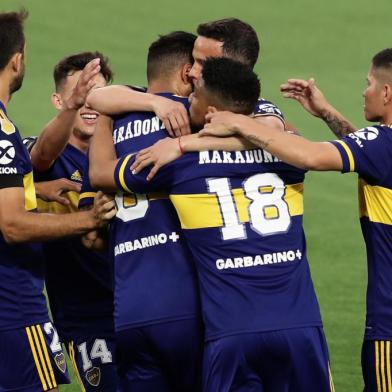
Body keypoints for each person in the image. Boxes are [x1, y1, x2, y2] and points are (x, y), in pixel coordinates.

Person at [113, 57, 333, 392]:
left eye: (195, 94)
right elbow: (284, 138)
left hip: (230, 337)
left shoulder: (177, 163)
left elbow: (103, 173)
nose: (188, 99)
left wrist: (106, 119)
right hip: (299, 328)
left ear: (212, 111)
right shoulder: (293, 157)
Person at [201, 48, 392, 392]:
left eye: (369, 84)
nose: (365, 91)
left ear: (388, 93)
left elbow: (309, 155)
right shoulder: (382, 149)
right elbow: (371, 154)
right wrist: (327, 113)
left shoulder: (383, 145)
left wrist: (241, 122)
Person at [0, 10, 115, 392]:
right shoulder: (14, 140)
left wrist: (34, 192)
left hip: (137, 309)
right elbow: (14, 218)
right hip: (34, 311)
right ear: (17, 60)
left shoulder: (128, 149)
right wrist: (88, 219)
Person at [87, 32, 204, 391]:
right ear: (187, 73)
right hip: (188, 303)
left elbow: (97, 99)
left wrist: (135, 106)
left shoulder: (114, 120)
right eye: (200, 67)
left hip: (130, 310)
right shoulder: (192, 120)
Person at [28, 52, 118, 391]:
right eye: (81, 94)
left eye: (97, 94)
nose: (90, 103)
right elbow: (41, 156)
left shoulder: (124, 151)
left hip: (139, 306)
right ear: (58, 100)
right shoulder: (41, 158)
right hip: (85, 319)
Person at [87, 18, 286, 137]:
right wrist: (156, 102)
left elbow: (271, 133)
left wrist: (184, 146)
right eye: (194, 60)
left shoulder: (256, 108)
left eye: (203, 63)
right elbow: (97, 97)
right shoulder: (187, 97)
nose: (191, 72)